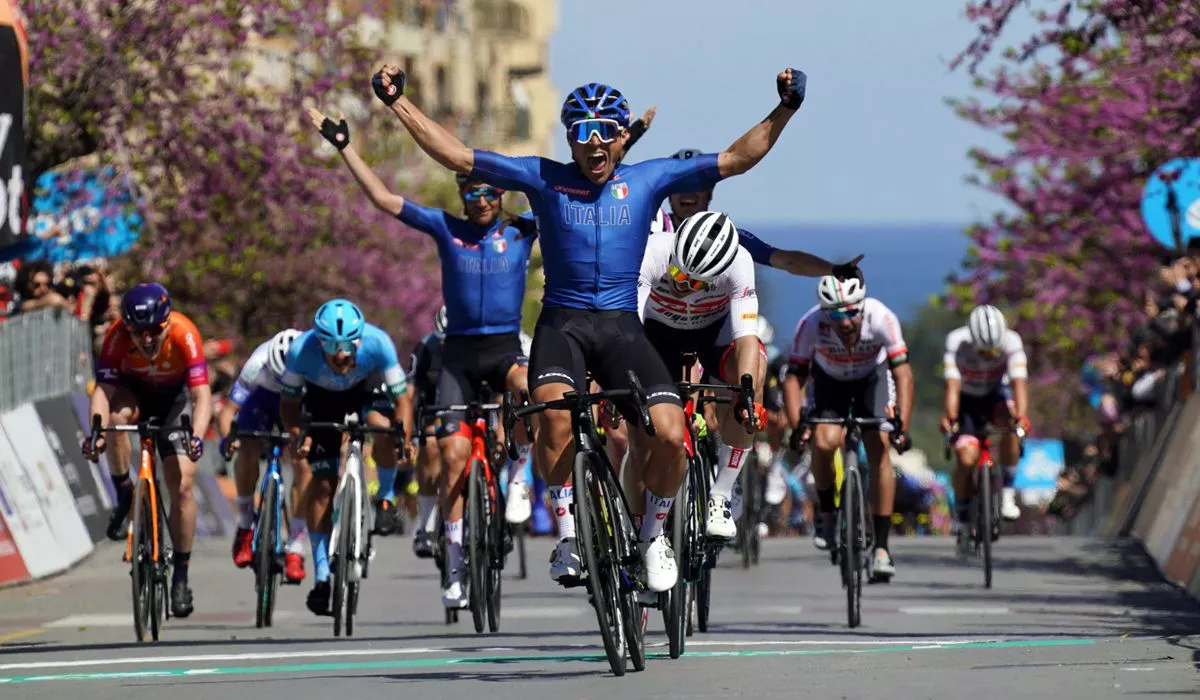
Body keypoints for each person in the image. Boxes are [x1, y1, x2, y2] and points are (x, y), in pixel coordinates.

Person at [370, 63, 806, 592]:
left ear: (622, 137)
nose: (593, 143)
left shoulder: (648, 178)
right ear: (569, 139)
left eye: (605, 132)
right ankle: (571, 535)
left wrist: (785, 108)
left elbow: (737, 158)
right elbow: (456, 155)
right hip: (563, 326)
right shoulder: (542, 177)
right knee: (554, 419)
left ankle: (652, 537)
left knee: (670, 435)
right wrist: (398, 103)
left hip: (624, 327)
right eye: (581, 132)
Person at [309, 109, 536, 608]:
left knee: (532, 391)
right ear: (461, 197)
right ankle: (454, 567)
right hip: (457, 355)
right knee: (453, 460)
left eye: (487, 193)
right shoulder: (445, 228)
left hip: (503, 351)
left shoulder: (523, 231)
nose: (479, 201)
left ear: (502, 195)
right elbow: (384, 199)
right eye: (470, 193)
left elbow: (575, 204)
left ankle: (519, 476)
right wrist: (345, 146)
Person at [82, 282, 212, 617]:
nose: (147, 338)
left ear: (167, 323)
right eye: (138, 332)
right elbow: (103, 390)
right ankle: (124, 489)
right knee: (113, 418)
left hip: (173, 402)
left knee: (181, 484)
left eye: (155, 330)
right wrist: (96, 432)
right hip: (134, 396)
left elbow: (201, 396)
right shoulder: (115, 337)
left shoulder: (185, 333)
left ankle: (181, 574)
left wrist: (196, 436)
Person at [278, 299, 413, 616]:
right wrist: (298, 434)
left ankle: (386, 498)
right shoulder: (301, 350)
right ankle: (323, 575)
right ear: (318, 340)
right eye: (331, 345)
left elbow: (402, 399)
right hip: (323, 402)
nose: (341, 354)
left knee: (384, 429)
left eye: (348, 345)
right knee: (322, 486)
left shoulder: (378, 343)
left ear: (359, 339)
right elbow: (288, 404)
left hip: (367, 391)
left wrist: (403, 436)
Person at [636, 211, 765, 541]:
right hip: (657, 334)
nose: (680, 283)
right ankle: (641, 524)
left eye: (693, 282)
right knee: (644, 433)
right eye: (677, 271)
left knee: (754, 370)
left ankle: (720, 493)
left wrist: (746, 395)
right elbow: (628, 327)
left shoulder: (739, 263)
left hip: (712, 332)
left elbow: (746, 337)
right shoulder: (652, 250)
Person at [782, 274, 913, 582]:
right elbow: (793, 377)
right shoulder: (811, 323)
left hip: (873, 380)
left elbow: (903, 374)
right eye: (836, 314)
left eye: (852, 312)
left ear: (863, 305)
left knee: (879, 447)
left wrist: (901, 425)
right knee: (824, 442)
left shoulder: (882, 317)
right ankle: (827, 515)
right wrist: (796, 423)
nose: (845, 321)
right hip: (830, 383)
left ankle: (881, 547)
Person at [662, 148, 860, 277]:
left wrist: (835, 270)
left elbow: (786, 260)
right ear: (668, 193)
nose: (688, 193)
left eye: (697, 185)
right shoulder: (652, 229)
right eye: (680, 185)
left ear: (710, 192)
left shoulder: (727, 238)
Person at [216, 328, 308, 583]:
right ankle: (245, 524)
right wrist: (228, 439)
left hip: (299, 403)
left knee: (304, 463)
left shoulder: (311, 362)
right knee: (246, 448)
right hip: (262, 402)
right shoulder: (257, 364)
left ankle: (297, 544)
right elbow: (228, 411)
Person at [940, 304, 1030, 551]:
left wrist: (1021, 417)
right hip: (967, 400)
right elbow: (952, 387)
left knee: (1013, 424)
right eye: (983, 350)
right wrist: (951, 417)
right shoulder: (957, 342)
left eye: (994, 350)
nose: (989, 355)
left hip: (995, 395)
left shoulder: (1011, 341)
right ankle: (962, 507)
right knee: (966, 458)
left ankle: (1008, 492)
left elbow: (1019, 383)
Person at [407, 306, 446, 559]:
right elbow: (409, 394)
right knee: (430, 446)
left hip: (473, 403)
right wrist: (408, 433)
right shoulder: (425, 348)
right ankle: (428, 524)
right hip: (434, 406)